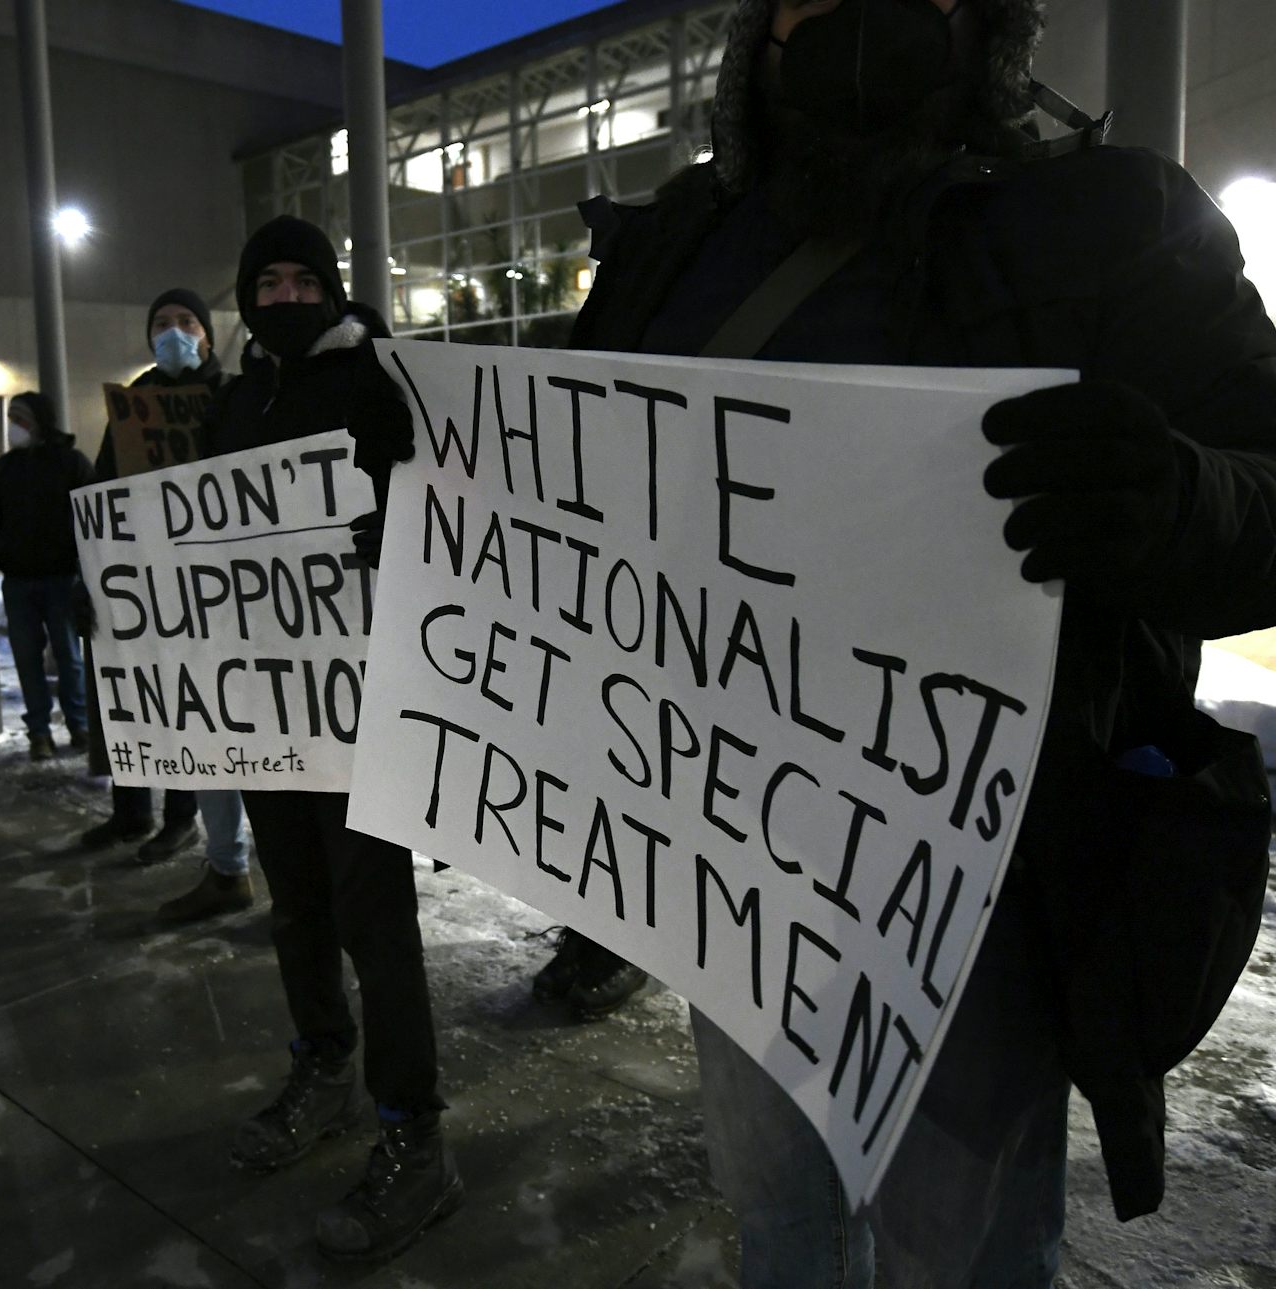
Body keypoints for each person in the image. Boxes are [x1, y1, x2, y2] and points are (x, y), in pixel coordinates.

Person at [353, 1, 1276, 1283]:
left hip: (981, 910)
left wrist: (1176, 499)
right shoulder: (679, 240)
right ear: (763, 25)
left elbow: (1266, 493)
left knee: (965, 1251)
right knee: (780, 1222)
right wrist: (429, 488)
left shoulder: (1119, 220)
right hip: (727, 880)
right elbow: (566, 491)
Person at [204, 216, 460, 1263]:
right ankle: (323, 1060)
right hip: (268, 703)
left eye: (304, 278)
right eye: (266, 279)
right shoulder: (234, 400)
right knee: (297, 905)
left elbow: (442, 501)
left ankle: (414, 1126)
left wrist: (385, 526)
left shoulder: (380, 379)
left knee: (373, 913)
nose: (285, 293)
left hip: (362, 702)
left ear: (334, 288)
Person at [80, 288, 223, 863]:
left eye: (186, 321)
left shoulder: (226, 396)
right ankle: (130, 809)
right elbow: (103, 488)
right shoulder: (135, 401)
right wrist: (89, 569)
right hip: (139, 576)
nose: (173, 332)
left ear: (207, 333)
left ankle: (181, 816)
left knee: (185, 699)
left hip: (207, 577)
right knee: (134, 694)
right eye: (161, 322)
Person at [0, 391, 92, 762]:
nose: (13, 427)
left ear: (40, 422)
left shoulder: (71, 463)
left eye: (20, 419)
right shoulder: (5, 469)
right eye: (11, 418)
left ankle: (79, 724)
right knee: (26, 659)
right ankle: (39, 732)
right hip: (19, 579)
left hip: (61, 577)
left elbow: (90, 517)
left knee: (69, 657)